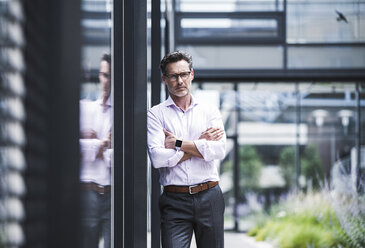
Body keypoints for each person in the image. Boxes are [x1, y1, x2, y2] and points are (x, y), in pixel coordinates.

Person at [147, 50, 227, 248]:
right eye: (173, 76)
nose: (180, 81)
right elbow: (158, 158)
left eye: (183, 74)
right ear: (164, 79)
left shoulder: (209, 110)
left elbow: (218, 150)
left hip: (209, 196)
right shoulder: (156, 114)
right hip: (174, 201)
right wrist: (199, 143)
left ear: (192, 74)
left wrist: (178, 143)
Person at [79, 53, 112, 248]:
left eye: (110, 76)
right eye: (103, 75)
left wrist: (92, 145)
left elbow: (126, 158)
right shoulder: (85, 110)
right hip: (87, 193)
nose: (106, 81)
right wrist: (103, 144)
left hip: (115, 195)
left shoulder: (124, 115)